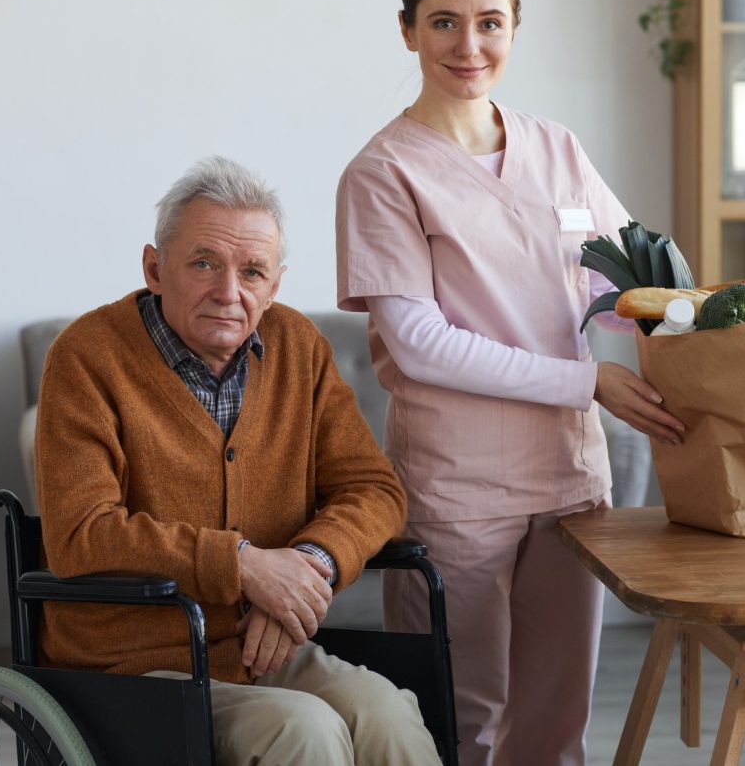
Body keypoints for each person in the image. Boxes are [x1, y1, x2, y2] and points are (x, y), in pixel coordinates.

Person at [335, 0, 685, 766]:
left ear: (515, 29)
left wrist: (702, 319)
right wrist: (587, 379)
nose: (468, 45)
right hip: (458, 488)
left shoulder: (557, 149)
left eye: (490, 22)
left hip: (568, 482)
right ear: (408, 29)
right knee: (460, 723)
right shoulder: (383, 172)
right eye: (445, 22)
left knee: (556, 728)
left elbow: (629, 280)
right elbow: (419, 344)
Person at [35, 156, 442, 766]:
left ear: (274, 285)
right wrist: (246, 567)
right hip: (132, 664)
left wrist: (308, 567)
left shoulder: (299, 347)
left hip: (266, 647)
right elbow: (79, 534)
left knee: (388, 713)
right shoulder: (87, 358)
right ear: (155, 267)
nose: (229, 292)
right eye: (204, 263)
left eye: (252, 271)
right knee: (303, 731)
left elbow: (372, 488)